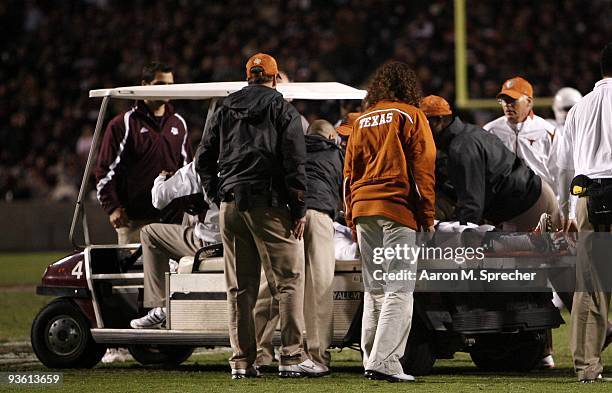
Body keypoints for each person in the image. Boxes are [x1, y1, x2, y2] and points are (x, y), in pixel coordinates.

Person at [196, 53, 325, 379]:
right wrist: (298, 209)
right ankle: (291, 357)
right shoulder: (283, 108)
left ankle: (241, 361)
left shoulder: (225, 107)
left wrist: (216, 194)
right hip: (270, 206)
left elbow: (203, 159)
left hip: (231, 205)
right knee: (289, 283)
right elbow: (295, 163)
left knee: (240, 288)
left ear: (248, 76)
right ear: (275, 76)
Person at [422, 95, 562, 369]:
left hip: (529, 202)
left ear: (438, 121)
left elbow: (472, 203)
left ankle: (551, 348)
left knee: (552, 265)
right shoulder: (466, 135)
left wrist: (466, 240)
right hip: (516, 203)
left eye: (425, 123)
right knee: (524, 257)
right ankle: (543, 348)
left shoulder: (462, 146)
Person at [344, 61, 436, 383]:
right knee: (399, 287)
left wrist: (350, 216)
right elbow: (422, 167)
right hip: (396, 210)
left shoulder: (361, 121)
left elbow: (348, 173)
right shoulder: (411, 115)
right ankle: (385, 362)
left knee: (375, 289)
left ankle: (371, 358)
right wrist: (427, 214)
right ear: (408, 87)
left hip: (363, 208)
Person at [557, 42, 612, 383]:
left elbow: (562, 166)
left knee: (591, 285)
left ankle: (587, 367)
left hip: (589, 197)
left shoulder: (580, 108)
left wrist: (569, 211)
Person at [95, 62, 191, 245]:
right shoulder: (123, 124)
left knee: (173, 273)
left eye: (170, 85)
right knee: (137, 273)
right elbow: (104, 171)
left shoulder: (179, 124)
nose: (166, 90)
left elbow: (187, 170)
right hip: (134, 221)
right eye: (160, 85)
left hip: (172, 222)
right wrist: (113, 208)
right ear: (144, 85)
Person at [129, 161, 221, 329]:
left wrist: (161, 178)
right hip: (243, 241)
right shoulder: (249, 161)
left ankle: (162, 305)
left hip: (211, 245)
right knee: (189, 218)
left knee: (150, 234)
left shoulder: (202, 165)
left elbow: (158, 199)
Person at [483, 77, 558, 213]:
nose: (507, 105)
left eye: (512, 100)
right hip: (502, 202)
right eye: (503, 100)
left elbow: (558, 172)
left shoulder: (547, 131)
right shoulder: (490, 131)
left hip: (540, 200)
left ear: (529, 102)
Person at [548, 87, 583, 229]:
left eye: (573, 108)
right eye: (566, 108)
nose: (569, 112)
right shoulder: (547, 129)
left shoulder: (586, 128)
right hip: (553, 193)